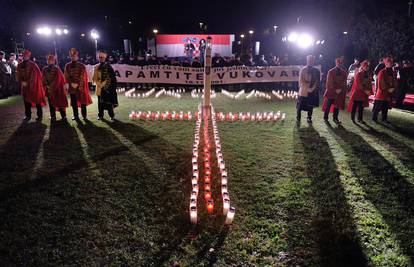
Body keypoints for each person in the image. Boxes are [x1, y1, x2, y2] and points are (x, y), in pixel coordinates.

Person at [16, 49, 46, 121]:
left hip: (34, 86)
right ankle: (28, 115)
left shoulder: (33, 65)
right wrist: (21, 81)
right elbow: (18, 74)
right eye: (23, 55)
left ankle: (39, 115)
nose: (24, 57)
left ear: (28, 56)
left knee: (37, 100)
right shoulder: (19, 65)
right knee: (26, 101)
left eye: (26, 55)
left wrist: (28, 82)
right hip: (25, 86)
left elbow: (35, 76)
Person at [64, 48, 92, 120]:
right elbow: (66, 76)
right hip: (72, 87)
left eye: (74, 56)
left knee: (83, 102)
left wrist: (77, 84)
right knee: (74, 103)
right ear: (70, 57)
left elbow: (83, 76)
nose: (73, 57)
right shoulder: (67, 65)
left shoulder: (82, 66)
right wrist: (71, 84)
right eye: (72, 56)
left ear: (77, 57)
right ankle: (75, 115)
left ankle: (84, 116)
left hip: (80, 87)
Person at [93, 51, 118, 121]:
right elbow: (94, 78)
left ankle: (112, 116)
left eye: (102, 57)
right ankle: (100, 115)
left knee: (108, 103)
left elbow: (112, 77)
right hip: (99, 88)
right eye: (100, 57)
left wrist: (104, 84)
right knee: (100, 103)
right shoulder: (96, 67)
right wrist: (98, 83)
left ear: (104, 58)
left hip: (107, 88)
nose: (101, 59)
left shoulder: (108, 66)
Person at [42, 54, 68, 120]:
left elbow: (59, 79)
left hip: (58, 90)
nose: (48, 61)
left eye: (50, 60)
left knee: (60, 102)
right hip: (49, 89)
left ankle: (63, 116)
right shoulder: (45, 69)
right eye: (47, 60)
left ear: (53, 61)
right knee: (51, 103)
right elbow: (43, 78)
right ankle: (53, 116)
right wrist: (46, 85)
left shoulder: (57, 69)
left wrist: (51, 86)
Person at [322, 57, 348, 123]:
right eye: (338, 63)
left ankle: (335, 118)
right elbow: (329, 82)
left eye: (341, 63)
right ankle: (325, 117)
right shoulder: (331, 71)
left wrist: (341, 89)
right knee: (328, 105)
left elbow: (344, 82)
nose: (339, 64)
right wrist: (334, 89)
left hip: (339, 91)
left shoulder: (344, 72)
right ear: (336, 63)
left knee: (337, 105)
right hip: (331, 91)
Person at [372, 57, 398, 123]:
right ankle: (374, 118)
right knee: (377, 107)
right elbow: (381, 82)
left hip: (389, 93)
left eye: (391, 63)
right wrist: (388, 89)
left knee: (385, 107)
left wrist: (394, 88)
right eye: (388, 63)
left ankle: (384, 119)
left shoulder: (393, 72)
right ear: (386, 64)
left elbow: (395, 81)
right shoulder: (382, 72)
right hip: (381, 93)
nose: (390, 64)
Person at [297, 55, 320, 123]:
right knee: (300, 105)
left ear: (313, 61)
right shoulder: (303, 69)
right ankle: (298, 117)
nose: (310, 61)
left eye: (312, 60)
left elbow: (317, 81)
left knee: (310, 106)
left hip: (312, 91)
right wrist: (307, 88)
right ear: (307, 60)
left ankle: (309, 117)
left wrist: (312, 88)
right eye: (309, 60)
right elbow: (301, 80)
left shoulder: (316, 71)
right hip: (303, 91)